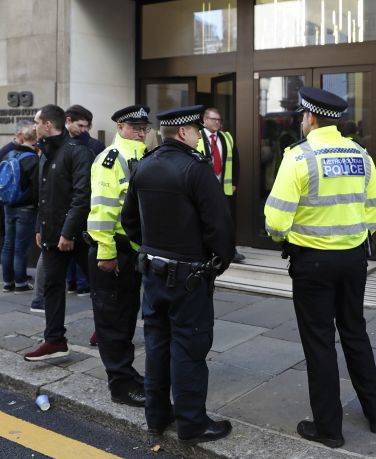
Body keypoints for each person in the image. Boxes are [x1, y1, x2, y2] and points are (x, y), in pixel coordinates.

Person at [264, 87, 376, 448]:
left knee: (319, 342)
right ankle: (375, 412)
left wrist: (284, 237)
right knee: (355, 332)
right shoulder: (361, 155)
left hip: (313, 262)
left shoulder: (298, 157)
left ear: (310, 118)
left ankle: (329, 429)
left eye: (303, 116)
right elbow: (374, 212)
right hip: (353, 259)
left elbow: (276, 221)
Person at [121, 105, 234, 444]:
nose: (199, 138)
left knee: (157, 346)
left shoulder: (144, 165)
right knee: (189, 348)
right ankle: (192, 424)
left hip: (152, 272)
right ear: (183, 132)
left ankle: (156, 418)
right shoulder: (196, 169)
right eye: (197, 132)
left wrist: (151, 249)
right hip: (189, 276)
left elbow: (129, 221)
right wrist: (218, 263)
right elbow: (219, 228)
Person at [87, 104, 150, 407]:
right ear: (120, 127)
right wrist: (106, 253)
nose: (141, 133)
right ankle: (121, 387)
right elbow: (102, 211)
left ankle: (127, 374)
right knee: (113, 323)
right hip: (113, 252)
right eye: (135, 127)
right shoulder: (110, 159)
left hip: (132, 251)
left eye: (144, 128)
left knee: (125, 318)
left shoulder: (142, 155)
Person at [24, 105, 94, 362]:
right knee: (52, 286)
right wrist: (39, 227)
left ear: (47, 124)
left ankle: (109, 332)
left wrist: (68, 232)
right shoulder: (45, 152)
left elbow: (82, 197)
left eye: (36, 122)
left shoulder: (77, 152)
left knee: (99, 286)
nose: (34, 127)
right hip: (51, 233)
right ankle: (55, 340)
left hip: (77, 235)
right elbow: (43, 196)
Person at [63, 104, 104, 296]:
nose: (84, 130)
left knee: (81, 243)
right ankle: (72, 282)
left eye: (87, 126)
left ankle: (82, 284)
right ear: (68, 121)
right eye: (80, 126)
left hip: (85, 203)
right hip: (65, 204)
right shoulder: (60, 144)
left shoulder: (94, 146)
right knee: (68, 243)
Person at [196, 107, 245, 263]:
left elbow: (235, 161)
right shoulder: (196, 137)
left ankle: (230, 251)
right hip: (204, 188)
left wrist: (234, 183)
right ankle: (206, 250)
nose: (217, 122)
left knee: (226, 220)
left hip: (224, 187)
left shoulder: (227, 137)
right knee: (204, 219)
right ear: (204, 120)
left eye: (219, 120)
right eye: (214, 119)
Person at [0, 124, 39, 293]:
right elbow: (36, 187)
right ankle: (21, 283)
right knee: (20, 248)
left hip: (8, 205)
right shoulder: (33, 159)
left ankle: (7, 282)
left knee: (8, 244)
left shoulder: (9, 154)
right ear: (35, 139)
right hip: (25, 208)